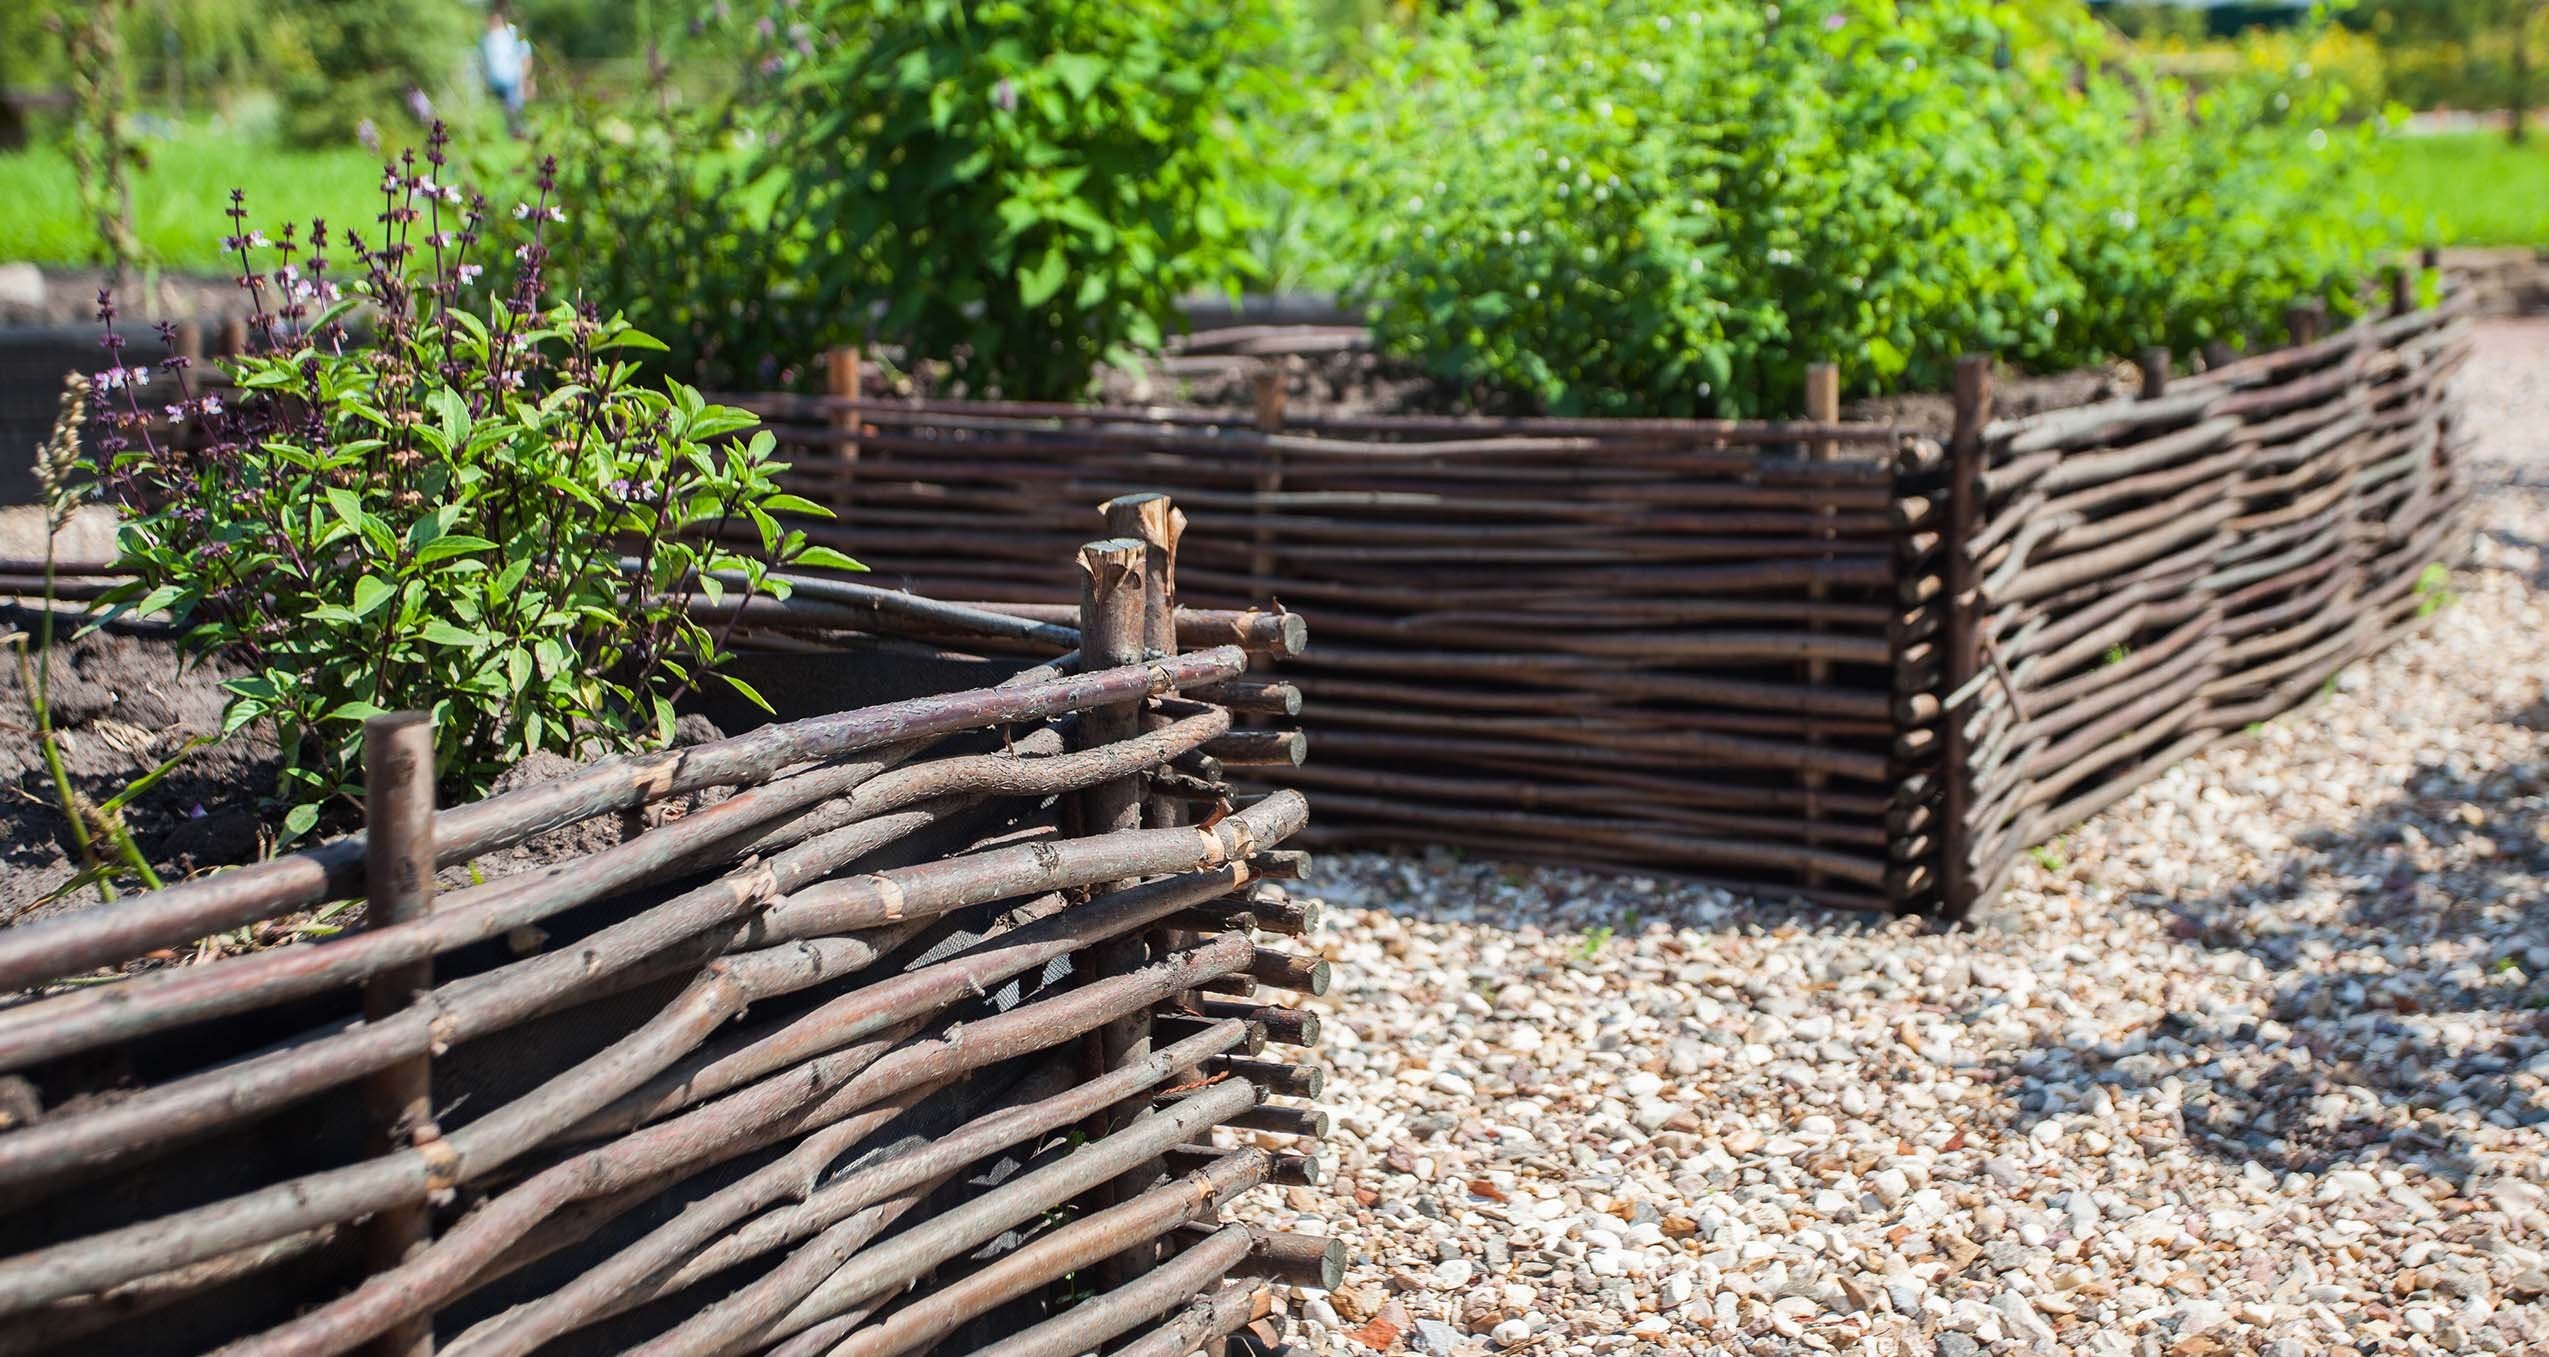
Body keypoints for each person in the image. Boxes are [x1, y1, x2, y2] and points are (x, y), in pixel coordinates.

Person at [480, 3, 533, 138]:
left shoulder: (512, 32)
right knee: (504, 112)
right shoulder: (486, 37)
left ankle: (519, 135)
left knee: (513, 109)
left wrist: (524, 78)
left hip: (512, 79)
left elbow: (525, 55)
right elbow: (484, 61)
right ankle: (512, 135)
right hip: (495, 82)